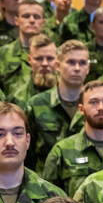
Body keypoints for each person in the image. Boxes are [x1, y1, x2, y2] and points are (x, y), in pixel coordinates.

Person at [42, 80, 103, 196]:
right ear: (81, 109)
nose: (101, 107)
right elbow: (48, 199)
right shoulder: (62, 151)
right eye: (93, 102)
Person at [24, 40, 90, 171]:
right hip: (45, 185)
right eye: (71, 62)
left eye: (82, 63)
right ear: (57, 66)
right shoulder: (37, 104)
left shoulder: (96, 105)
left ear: (87, 68)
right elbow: (26, 153)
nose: (77, 68)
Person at [0, 0, 46, 101]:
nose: (32, 20)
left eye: (36, 17)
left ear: (43, 22)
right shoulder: (1, 55)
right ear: (17, 20)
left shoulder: (55, 56)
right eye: (26, 16)